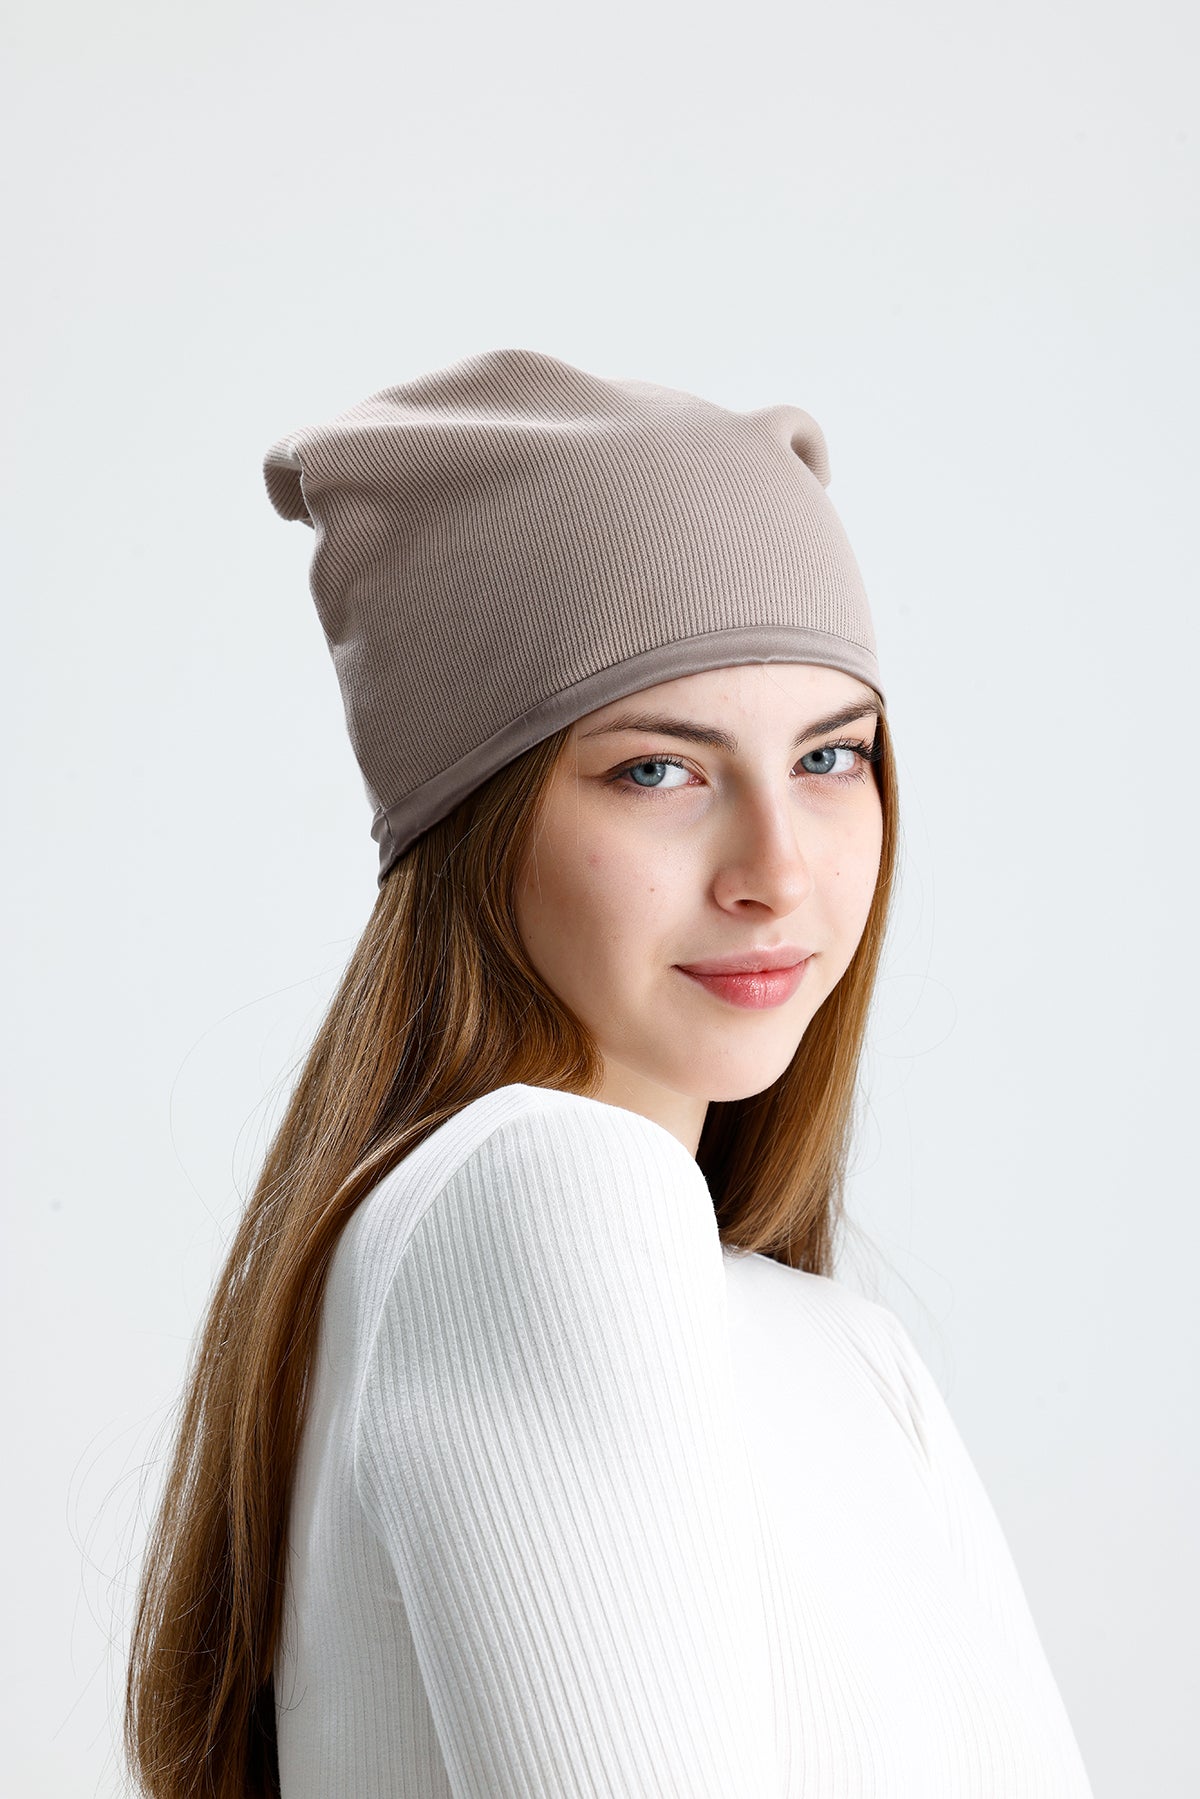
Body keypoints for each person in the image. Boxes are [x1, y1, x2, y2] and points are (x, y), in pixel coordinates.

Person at [122, 348, 1096, 1797]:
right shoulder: (546, 1193)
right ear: (476, 820)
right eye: (658, 770)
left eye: (831, 759)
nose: (778, 872)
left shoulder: (840, 1347)